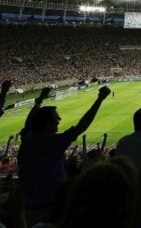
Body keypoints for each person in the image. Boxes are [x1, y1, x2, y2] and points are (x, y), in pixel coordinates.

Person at [17, 85, 111, 217]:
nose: (60, 120)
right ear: (47, 124)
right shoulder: (52, 143)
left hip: (29, 203)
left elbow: (29, 122)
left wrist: (40, 100)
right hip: (48, 205)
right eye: (56, 118)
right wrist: (99, 99)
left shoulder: (27, 138)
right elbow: (81, 126)